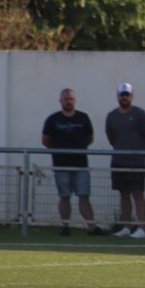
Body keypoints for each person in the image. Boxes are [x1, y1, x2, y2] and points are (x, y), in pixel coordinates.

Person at [41, 88, 106, 237]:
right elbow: (45, 140)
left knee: (84, 195)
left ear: (74, 100)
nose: (68, 101)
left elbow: (90, 138)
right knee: (64, 196)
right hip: (61, 164)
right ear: (60, 101)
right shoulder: (53, 119)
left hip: (80, 164)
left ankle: (91, 227)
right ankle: (65, 226)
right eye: (65, 99)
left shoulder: (83, 118)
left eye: (71, 99)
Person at [105, 82, 145, 239]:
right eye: (122, 94)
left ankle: (141, 227)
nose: (124, 97)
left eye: (127, 94)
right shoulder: (112, 116)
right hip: (119, 160)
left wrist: (137, 150)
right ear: (117, 96)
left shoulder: (141, 115)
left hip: (136, 161)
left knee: (138, 194)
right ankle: (126, 226)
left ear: (132, 96)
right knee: (123, 194)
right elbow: (111, 138)